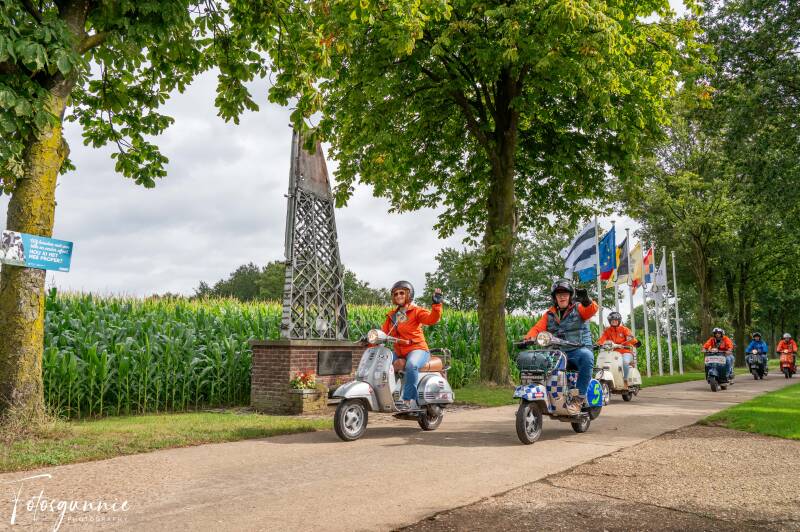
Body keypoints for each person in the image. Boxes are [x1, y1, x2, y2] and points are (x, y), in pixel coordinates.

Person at [525, 278, 598, 415]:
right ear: (555, 297)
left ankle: (578, 398)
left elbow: (590, 311)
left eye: (565, 293)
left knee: (587, 356)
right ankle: (544, 395)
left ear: (570, 296)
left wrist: (587, 301)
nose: (562, 296)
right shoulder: (550, 314)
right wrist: (528, 339)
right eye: (559, 294)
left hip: (577, 349)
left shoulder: (579, 308)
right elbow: (537, 328)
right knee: (535, 360)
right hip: (557, 352)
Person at [380, 281, 443, 410]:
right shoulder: (391, 316)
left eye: (402, 293)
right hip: (399, 351)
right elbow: (383, 332)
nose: (398, 295)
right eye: (396, 293)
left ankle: (407, 399)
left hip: (417, 349)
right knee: (381, 361)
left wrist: (436, 304)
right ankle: (389, 395)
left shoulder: (416, 311)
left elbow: (432, 319)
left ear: (409, 294)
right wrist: (370, 339)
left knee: (412, 365)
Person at [597, 311, 641, 387]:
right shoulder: (608, 330)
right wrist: (597, 344)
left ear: (619, 321)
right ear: (610, 321)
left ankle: (625, 380)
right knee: (606, 363)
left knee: (624, 362)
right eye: (612, 320)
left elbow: (630, 337)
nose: (614, 322)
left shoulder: (624, 329)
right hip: (613, 353)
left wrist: (635, 342)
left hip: (625, 352)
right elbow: (602, 339)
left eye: (616, 320)